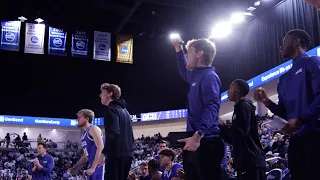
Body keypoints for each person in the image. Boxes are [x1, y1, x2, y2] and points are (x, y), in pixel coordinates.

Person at [254, 29, 320, 180]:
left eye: (285, 41)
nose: (281, 46)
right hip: (296, 140)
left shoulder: (312, 62)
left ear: (296, 41)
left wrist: (302, 118)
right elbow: (284, 112)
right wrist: (266, 101)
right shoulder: (283, 79)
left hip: (315, 134)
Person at [171, 38, 224, 180]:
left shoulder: (209, 76)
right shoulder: (196, 75)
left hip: (206, 142)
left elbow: (212, 106)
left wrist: (198, 135)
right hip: (195, 141)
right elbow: (183, 70)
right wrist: (178, 49)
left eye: (189, 52)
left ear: (200, 54)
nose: (187, 55)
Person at [220, 79, 266, 180]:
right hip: (248, 162)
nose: (228, 91)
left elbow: (239, 136)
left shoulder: (243, 106)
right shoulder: (241, 106)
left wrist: (222, 127)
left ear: (237, 91)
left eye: (230, 88)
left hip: (250, 162)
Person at [99, 83, 134, 180]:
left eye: (102, 93)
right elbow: (131, 136)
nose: (100, 95)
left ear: (109, 94)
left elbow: (113, 133)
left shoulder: (111, 109)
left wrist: (103, 152)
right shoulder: (125, 111)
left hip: (116, 155)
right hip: (127, 155)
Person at [69, 109, 104, 180]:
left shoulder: (93, 128)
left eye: (79, 117)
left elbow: (100, 146)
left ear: (87, 119)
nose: (77, 119)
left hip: (100, 166)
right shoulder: (84, 135)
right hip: (92, 166)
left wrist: (93, 167)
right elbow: (85, 156)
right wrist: (75, 167)